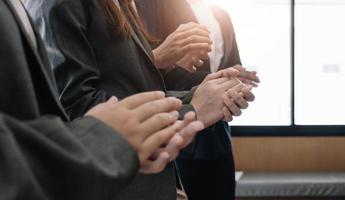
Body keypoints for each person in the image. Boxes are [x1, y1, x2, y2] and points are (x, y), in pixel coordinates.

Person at [26, 0, 255, 199]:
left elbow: (137, 85)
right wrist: (191, 110)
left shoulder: (122, 5)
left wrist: (200, 92)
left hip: (150, 177)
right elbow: (75, 108)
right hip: (117, 182)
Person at [136, 0, 259, 199]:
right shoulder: (159, 5)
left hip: (219, 130)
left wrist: (238, 80)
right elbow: (151, 64)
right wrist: (221, 83)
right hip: (181, 123)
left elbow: (233, 62)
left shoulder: (221, 14)